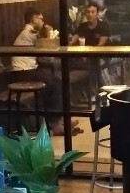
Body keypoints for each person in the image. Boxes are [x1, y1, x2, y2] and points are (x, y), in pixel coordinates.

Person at [11, 7, 79, 136]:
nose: (43, 21)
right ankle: (55, 124)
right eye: (41, 19)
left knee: (58, 81)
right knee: (54, 84)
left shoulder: (32, 33)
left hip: (30, 69)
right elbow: (47, 47)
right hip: (23, 72)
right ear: (34, 19)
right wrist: (49, 33)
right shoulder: (28, 33)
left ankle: (60, 119)